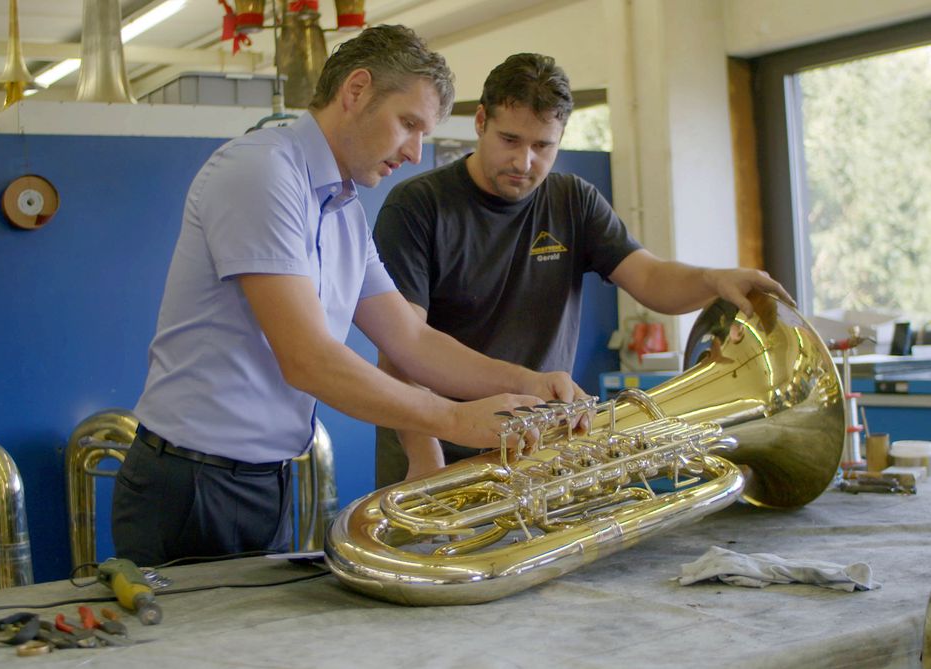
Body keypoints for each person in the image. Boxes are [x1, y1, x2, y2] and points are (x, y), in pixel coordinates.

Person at [111, 28, 587, 568]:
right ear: (356, 90)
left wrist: (525, 383)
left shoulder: (342, 209)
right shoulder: (262, 172)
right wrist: (452, 421)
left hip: (266, 481)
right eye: (408, 125)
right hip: (191, 484)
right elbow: (307, 358)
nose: (413, 153)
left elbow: (410, 339)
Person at [373, 53, 793, 487]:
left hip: (537, 452)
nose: (524, 163)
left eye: (542, 146)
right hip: (435, 450)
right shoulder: (417, 207)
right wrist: (425, 455)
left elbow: (648, 277)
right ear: (480, 121)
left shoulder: (573, 200)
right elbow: (400, 349)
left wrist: (713, 280)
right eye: (510, 140)